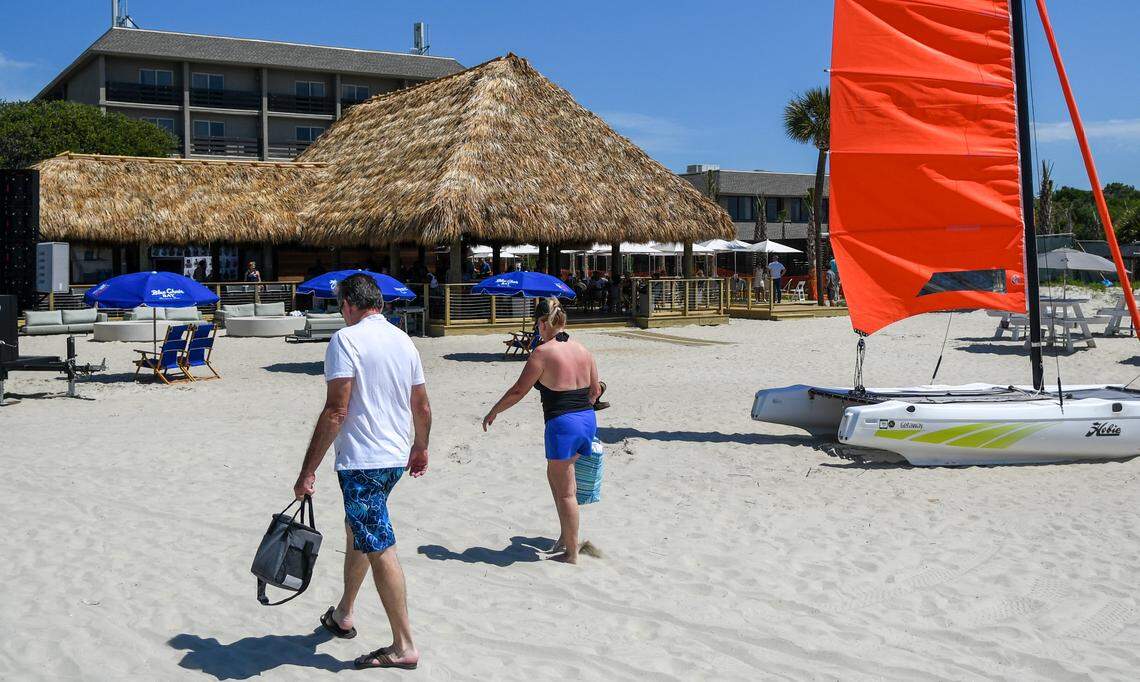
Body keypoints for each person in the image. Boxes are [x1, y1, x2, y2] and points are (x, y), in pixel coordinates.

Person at [292, 273, 432, 671]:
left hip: (363, 462)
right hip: (393, 458)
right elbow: (421, 406)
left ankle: (404, 645)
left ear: (348, 305)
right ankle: (344, 614)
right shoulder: (403, 340)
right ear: (381, 305)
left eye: (340, 306)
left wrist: (307, 471)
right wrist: (420, 446)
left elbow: (337, 409)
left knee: (379, 542)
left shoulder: (346, 339)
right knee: (360, 531)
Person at [482, 298, 601, 564]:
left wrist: (494, 411)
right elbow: (595, 391)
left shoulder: (542, 353)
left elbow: (517, 391)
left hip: (562, 424)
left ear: (544, 323)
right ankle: (564, 537)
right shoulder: (583, 349)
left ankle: (571, 553)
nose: (536, 328)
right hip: (587, 419)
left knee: (566, 491)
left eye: (538, 323)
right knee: (556, 479)